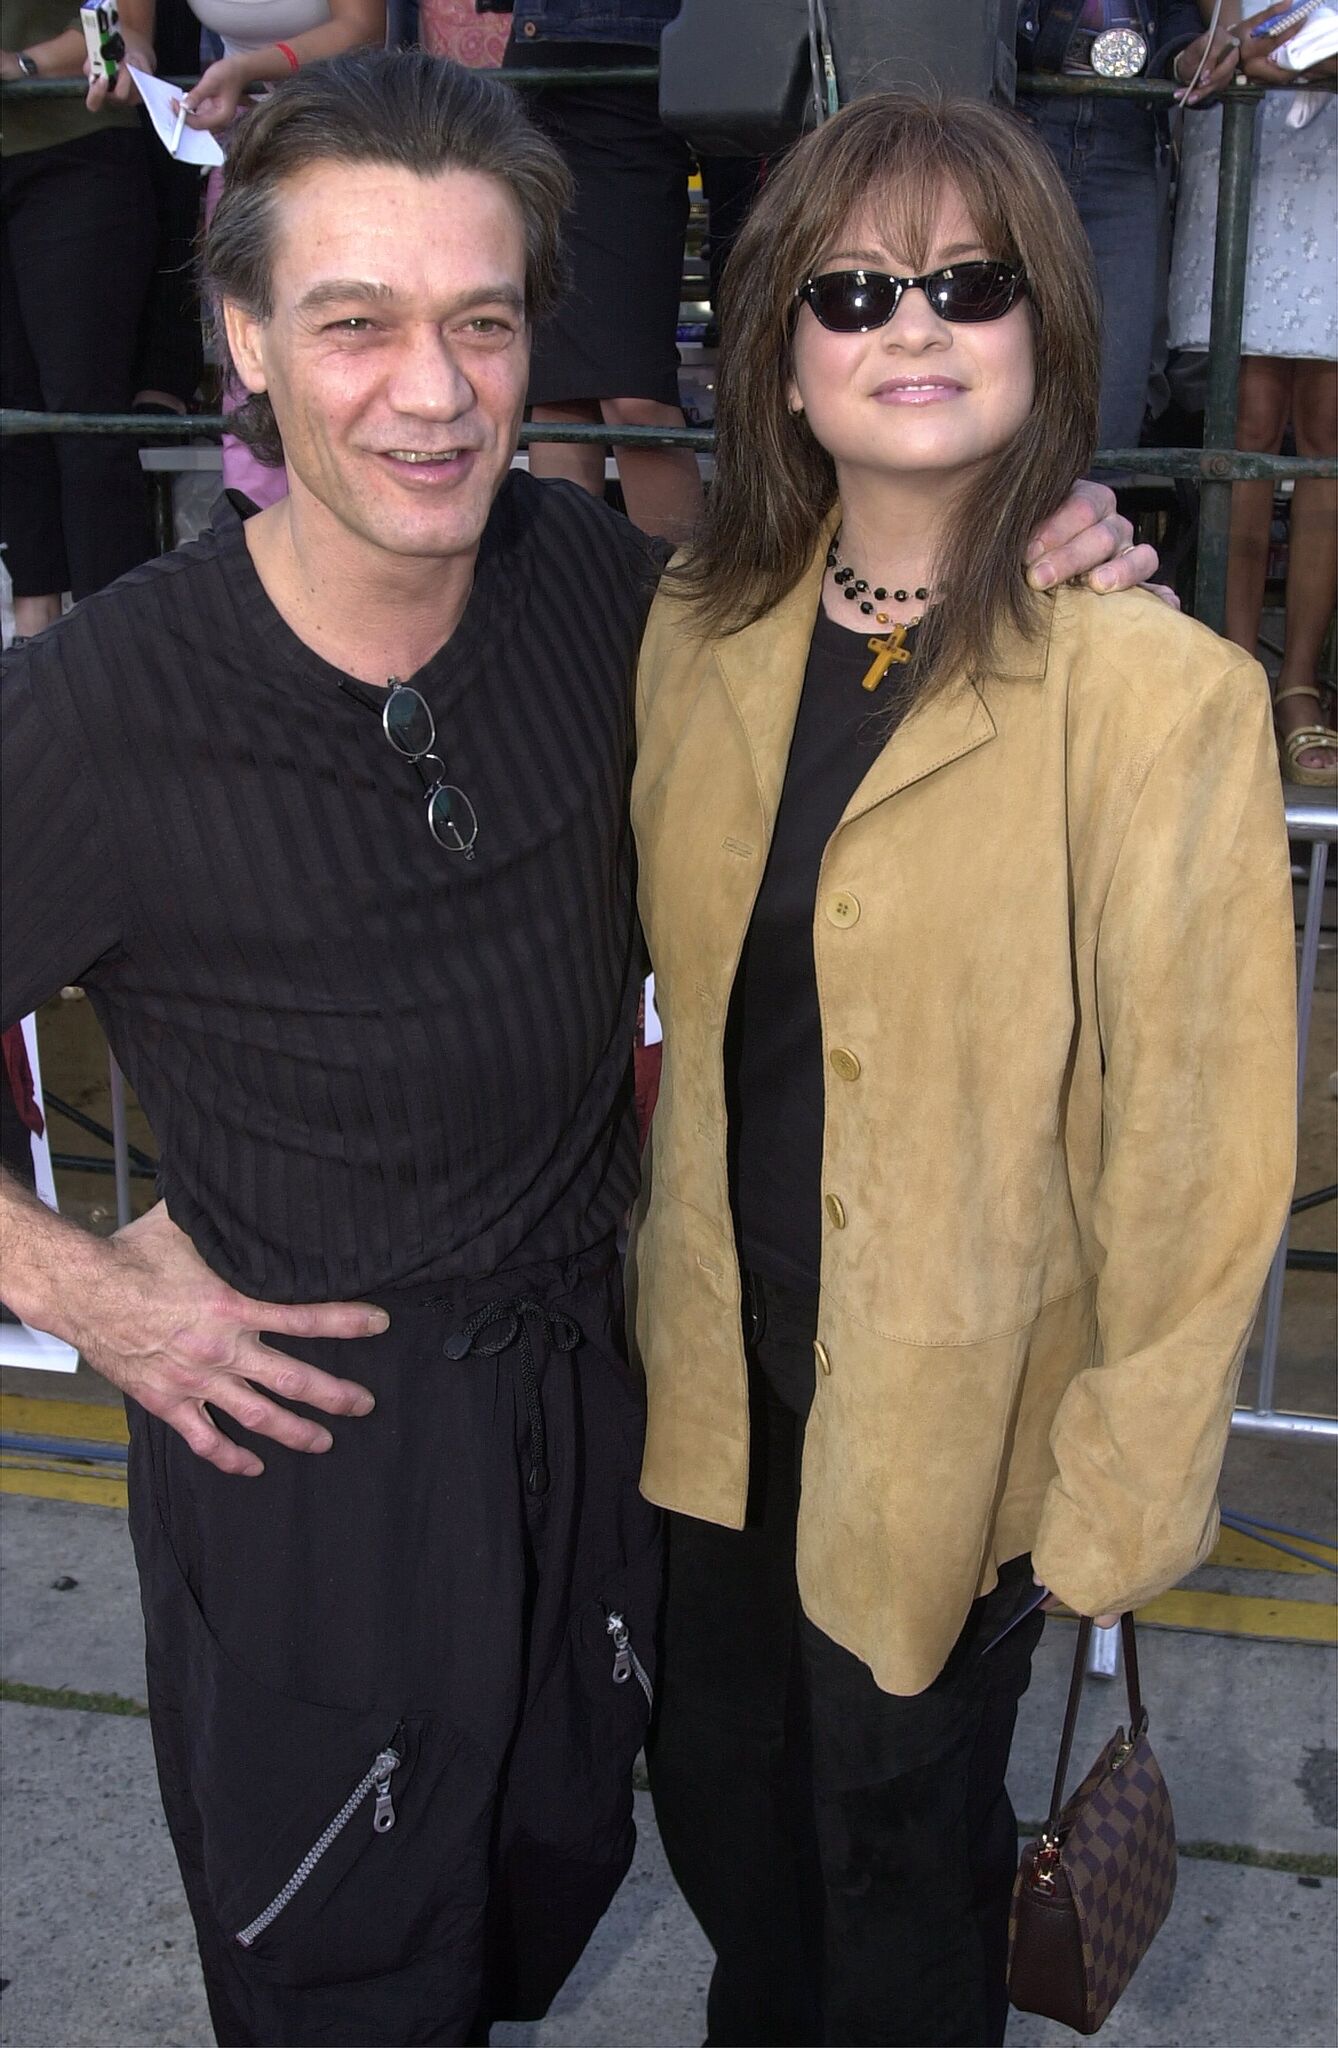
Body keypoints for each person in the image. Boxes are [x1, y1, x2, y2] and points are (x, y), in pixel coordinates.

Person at [0, 49, 1155, 2048]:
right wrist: (82, 1284)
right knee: (351, 1982)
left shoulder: (621, 606)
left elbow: (871, 632)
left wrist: (1033, 558)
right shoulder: (107, 704)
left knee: (546, 1901)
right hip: (312, 1474)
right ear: (243, 339)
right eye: (355, 324)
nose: (431, 394)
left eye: (482, 320)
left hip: (601, 1430)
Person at [629, 91, 1297, 2048]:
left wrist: (1118, 1490)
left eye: (966, 282)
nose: (909, 323)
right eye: (852, 290)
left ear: (1042, 329)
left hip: (962, 1436)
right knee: (732, 1829)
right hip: (725, 1403)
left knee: (901, 1874)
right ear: (782, 353)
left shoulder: (1158, 691)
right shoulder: (700, 630)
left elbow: (1203, 1138)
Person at [1169, 2, 1338, 786]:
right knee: (1248, 422)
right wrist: (1229, 43)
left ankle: (1300, 688)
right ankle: (1233, 676)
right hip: (1246, 128)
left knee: (1328, 428)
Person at [501, 0, 705, 542]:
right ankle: (568, 607)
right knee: (560, 399)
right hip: (550, 61)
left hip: (647, 63)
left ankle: (686, 613)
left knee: (634, 398)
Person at [1015, 0, 1237, 453]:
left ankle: (1088, 518)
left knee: (1114, 382)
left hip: (1130, 123)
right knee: (1002, 352)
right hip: (1022, 113)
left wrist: (1184, 55)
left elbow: (1175, 18)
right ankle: (999, 521)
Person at [0, 0, 158, 634]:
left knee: (85, 415)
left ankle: (115, 649)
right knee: (10, 415)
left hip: (76, 142)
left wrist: (22, 62)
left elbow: (128, 28)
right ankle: (32, 640)